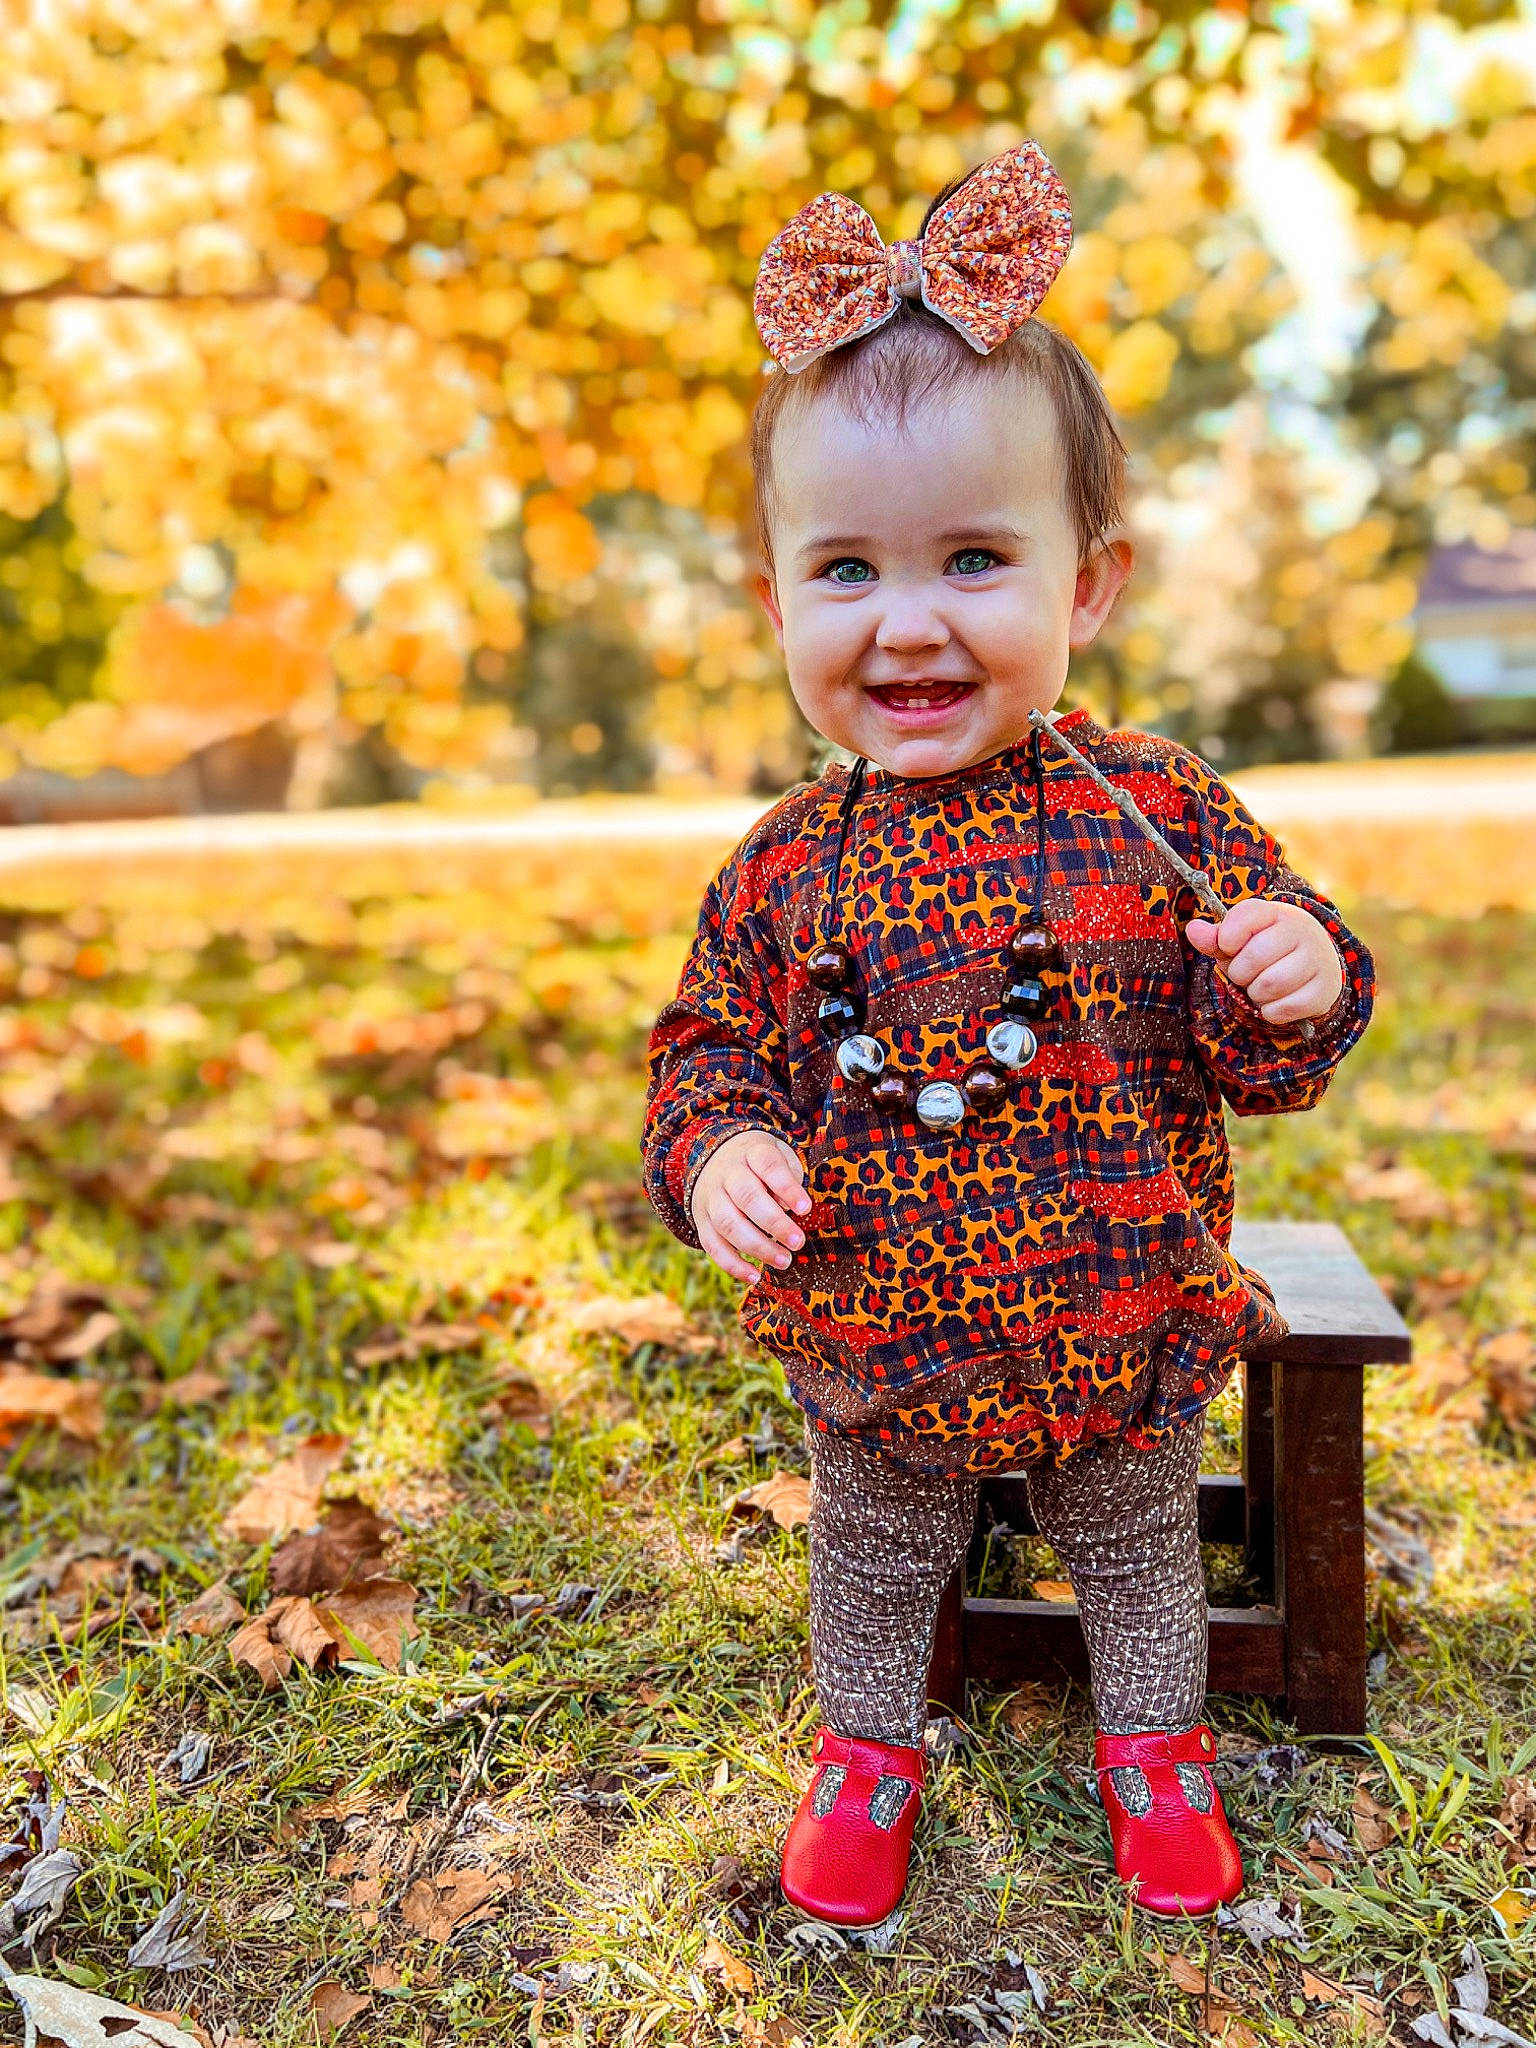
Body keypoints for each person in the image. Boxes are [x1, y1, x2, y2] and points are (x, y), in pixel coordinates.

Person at [641, 143, 1375, 1929]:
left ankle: (1159, 1751)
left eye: (975, 559)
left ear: (1088, 585)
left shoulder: (1151, 807)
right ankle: (870, 1749)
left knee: (1135, 1541)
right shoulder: (786, 865)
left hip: (1117, 1295)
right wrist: (721, 1152)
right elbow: (703, 1051)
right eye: (845, 571)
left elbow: (1263, 1056)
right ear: (778, 604)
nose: (909, 622)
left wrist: (1286, 975)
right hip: (884, 1322)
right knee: (877, 1546)